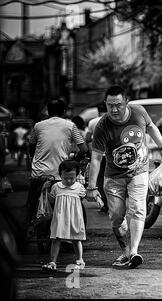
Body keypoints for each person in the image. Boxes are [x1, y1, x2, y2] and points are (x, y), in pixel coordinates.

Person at [86, 85, 162, 269]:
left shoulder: (139, 112)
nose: (114, 110)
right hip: (114, 177)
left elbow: (151, 127)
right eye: (110, 105)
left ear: (126, 102)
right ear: (105, 104)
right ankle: (125, 250)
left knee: (138, 210)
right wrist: (92, 187)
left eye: (118, 104)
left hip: (140, 171)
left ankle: (133, 251)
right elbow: (95, 158)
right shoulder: (102, 126)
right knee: (117, 217)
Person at [27, 99, 88, 243]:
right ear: (64, 111)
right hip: (60, 175)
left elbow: (31, 148)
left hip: (39, 174)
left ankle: (29, 227)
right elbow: (84, 149)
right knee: (70, 202)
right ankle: (71, 234)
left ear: (48, 112)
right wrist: (77, 159)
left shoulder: (38, 126)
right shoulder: (70, 126)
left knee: (33, 204)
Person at [41, 160, 87, 272]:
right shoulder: (56, 186)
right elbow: (52, 200)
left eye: (72, 178)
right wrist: (45, 190)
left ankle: (80, 260)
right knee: (56, 239)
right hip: (59, 217)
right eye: (65, 178)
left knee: (76, 239)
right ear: (60, 175)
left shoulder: (79, 187)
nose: (68, 180)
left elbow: (84, 197)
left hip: (74, 217)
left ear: (77, 175)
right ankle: (52, 262)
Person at [86, 103, 108, 214]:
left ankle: (105, 204)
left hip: (98, 155)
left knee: (100, 179)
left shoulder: (93, 122)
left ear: (98, 111)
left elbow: (88, 138)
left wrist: (91, 151)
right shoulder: (112, 120)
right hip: (111, 155)